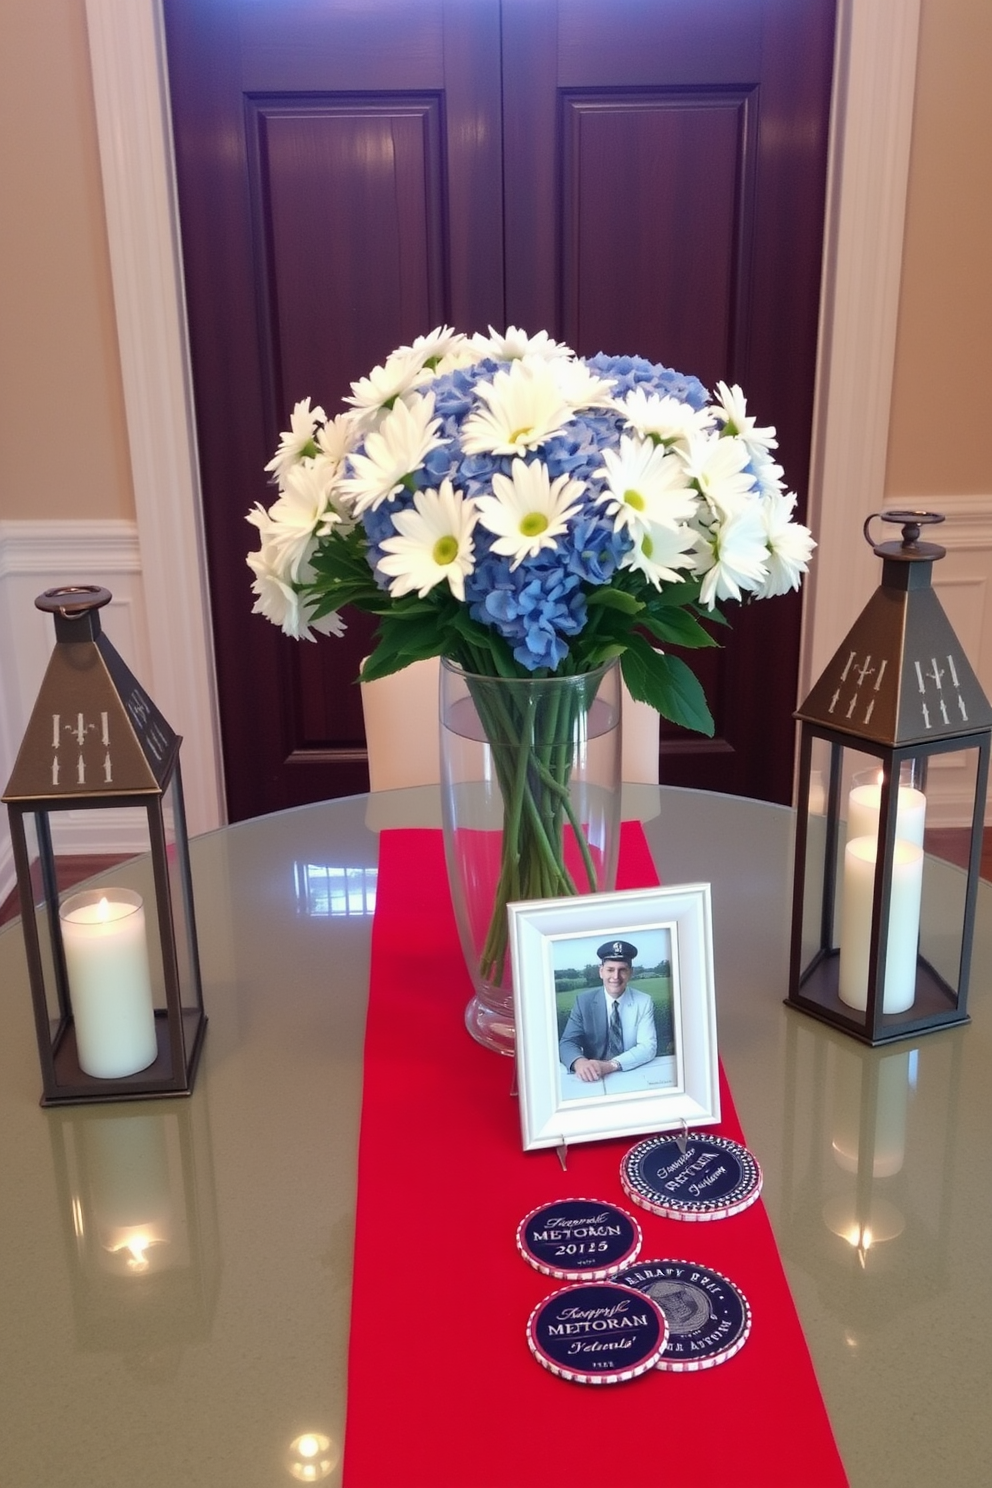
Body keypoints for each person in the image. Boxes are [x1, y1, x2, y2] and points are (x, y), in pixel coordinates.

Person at [559, 939, 657, 1082]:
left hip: (630, 1072)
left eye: (622, 970)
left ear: (631, 972)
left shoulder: (644, 1001)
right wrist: (580, 1063)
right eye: (610, 970)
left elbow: (648, 1047)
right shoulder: (583, 1001)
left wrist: (611, 1065)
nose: (615, 977)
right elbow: (568, 1042)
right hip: (593, 1078)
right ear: (601, 971)